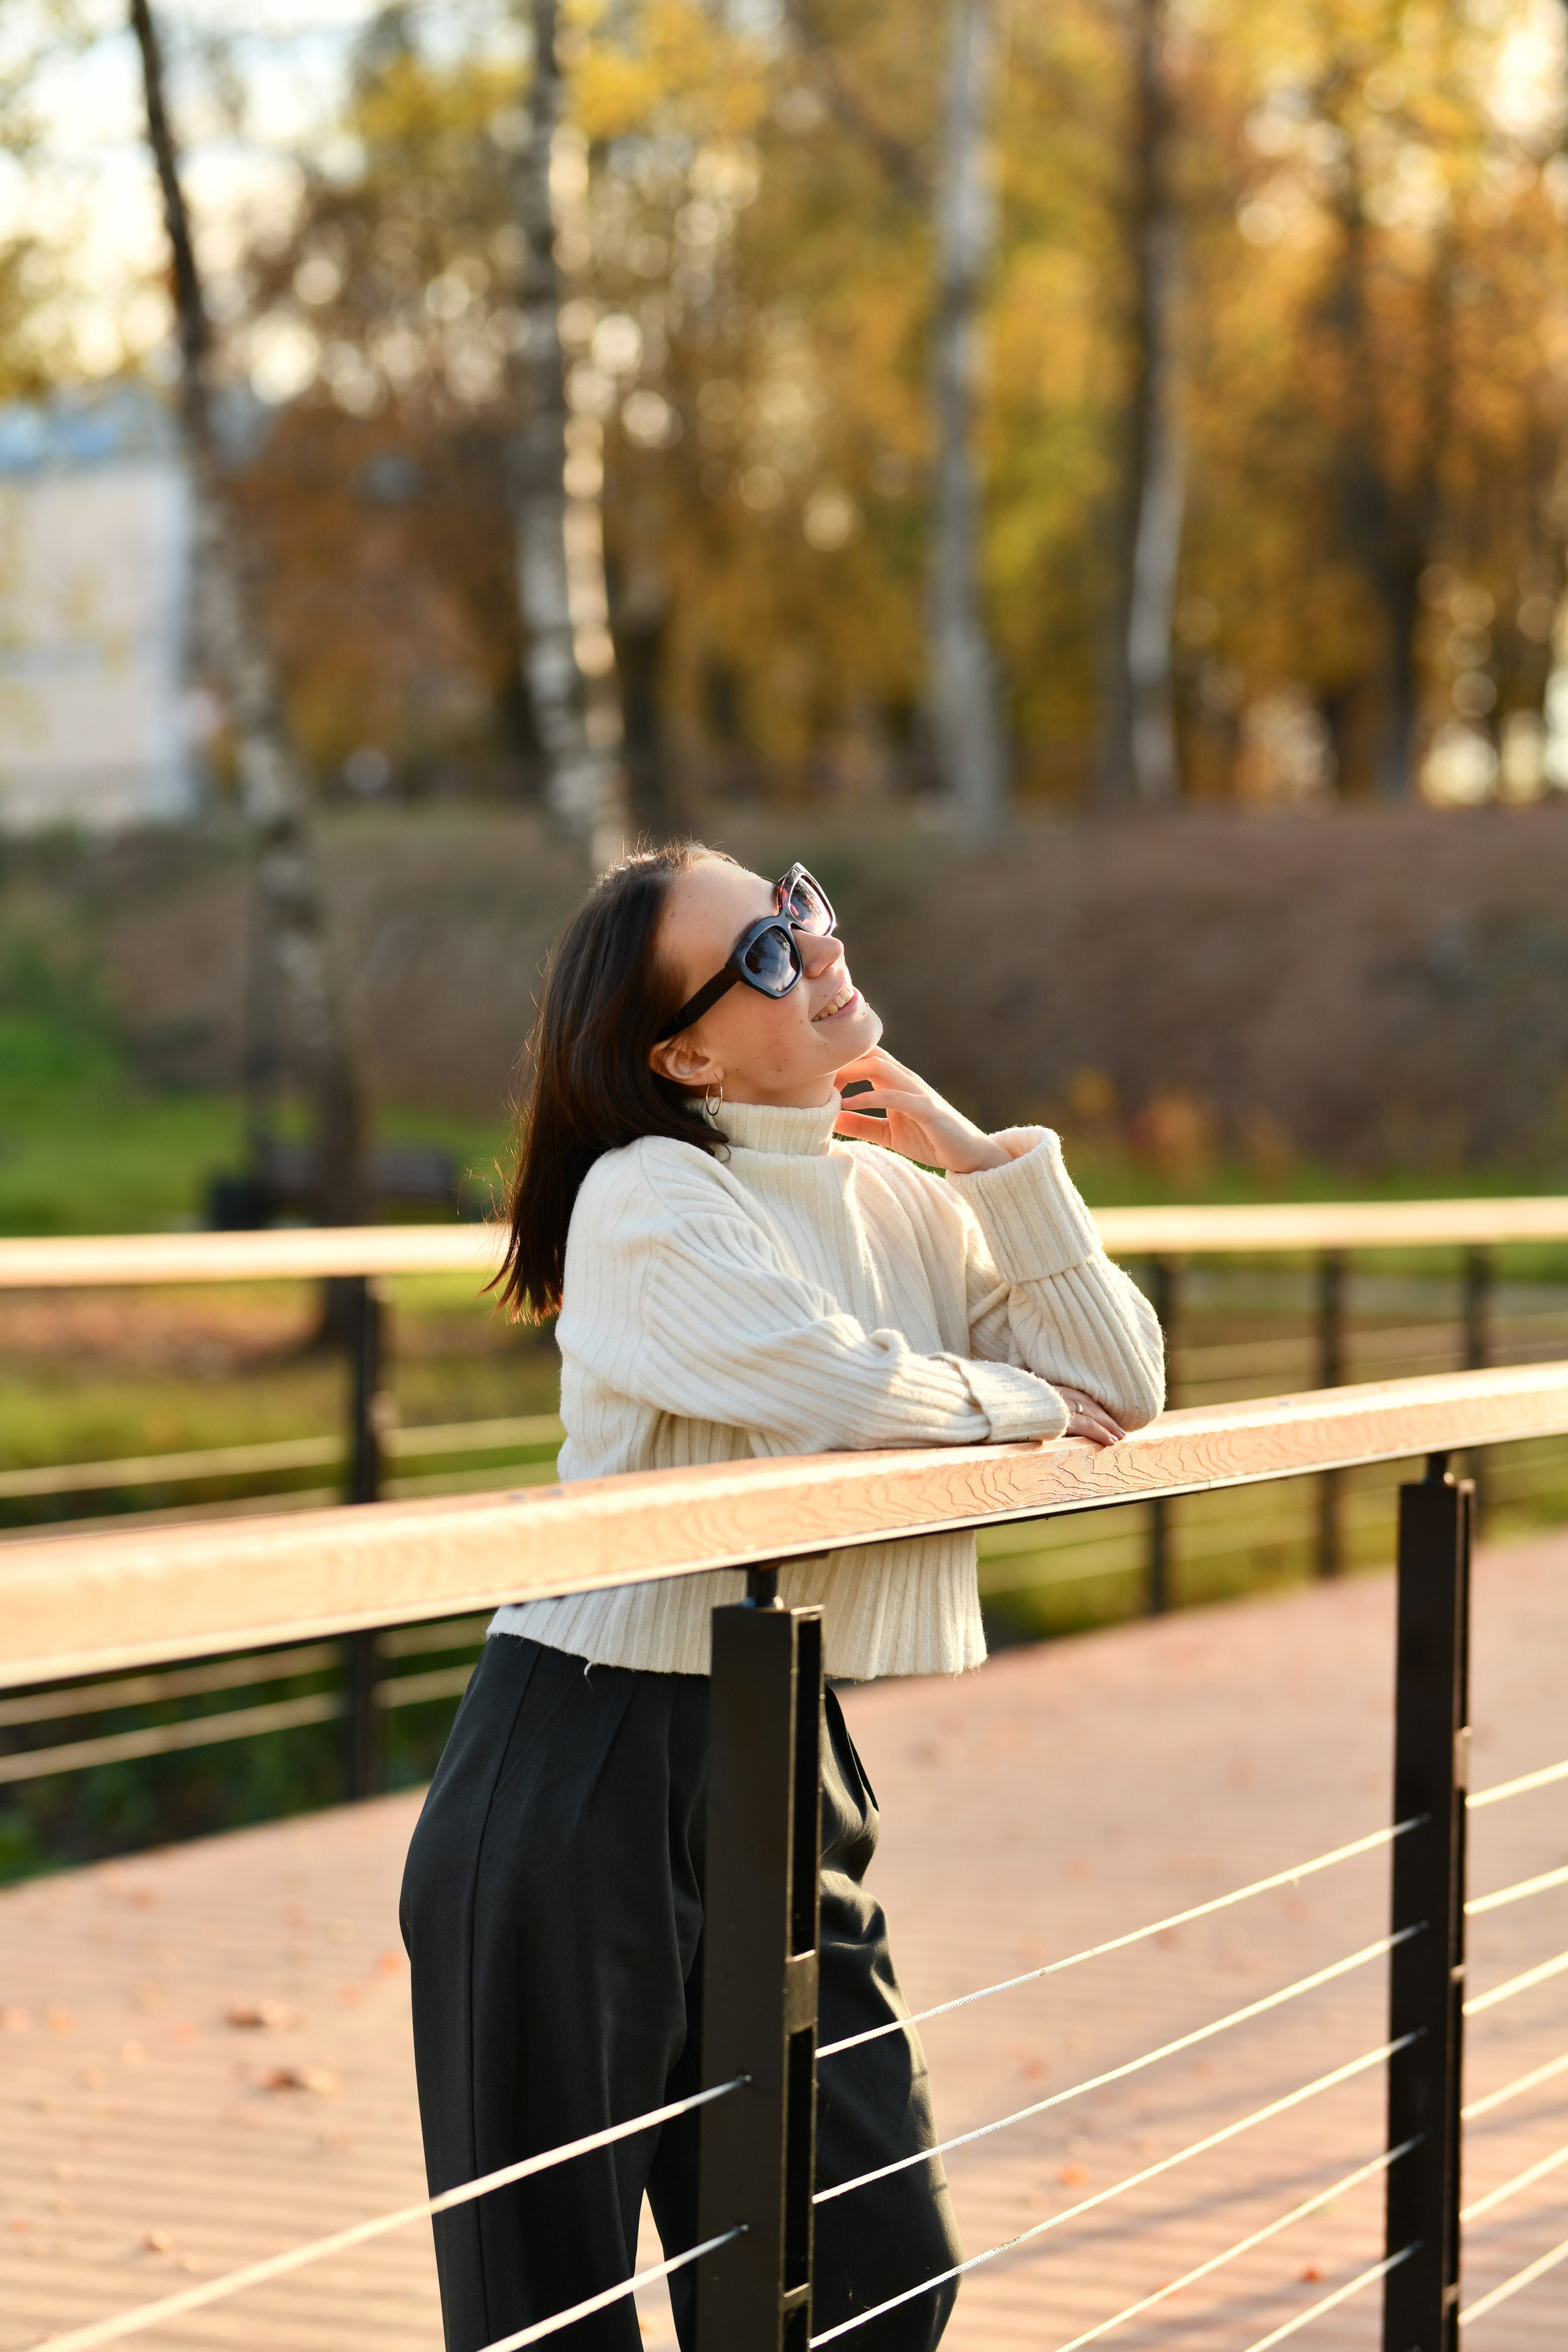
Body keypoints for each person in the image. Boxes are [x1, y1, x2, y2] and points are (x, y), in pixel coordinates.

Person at [401, 844, 1164, 2352]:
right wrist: (1017, 1401)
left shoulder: (892, 1197)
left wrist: (972, 1153)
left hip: (781, 1750)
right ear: (679, 1052)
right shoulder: (642, 1198)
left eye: (797, 910)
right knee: (547, 2313)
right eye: (758, 954)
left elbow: (1124, 1382)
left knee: (872, 2276)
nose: (809, 951)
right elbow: (833, 1390)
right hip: (575, 1769)